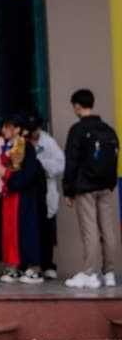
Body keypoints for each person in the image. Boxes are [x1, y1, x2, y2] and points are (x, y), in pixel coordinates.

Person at [62, 88, 120, 289]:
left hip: (85, 187)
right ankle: (110, 273)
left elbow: (71, 162)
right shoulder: (108, 130)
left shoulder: (78, 130)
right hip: (106, 185)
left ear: (77, 106)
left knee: (90, 230)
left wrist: (68, 190)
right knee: (108, 230)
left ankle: (89, 273)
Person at [0, 115, 46, 284]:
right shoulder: (4, 147)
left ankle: (34, 268)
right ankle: (13, 265)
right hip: (9, 195)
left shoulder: (25, 147)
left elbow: (30, 174)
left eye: (8, 127)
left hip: (24, 196)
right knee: (9, 231)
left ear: (17, 129)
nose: (4, 130)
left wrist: (6, 175)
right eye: (3, 127)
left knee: (27, 230)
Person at [28, 114, 65, 278]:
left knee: (46, 228)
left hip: (46, 188)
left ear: (39, 128)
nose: (32, 133)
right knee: (30, 228)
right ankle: (30, 264)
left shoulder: (48, 142)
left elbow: (60, 163)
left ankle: (47, 264)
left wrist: (40, 165)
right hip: (29, 189)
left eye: (34, 129)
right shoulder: (23, 142)